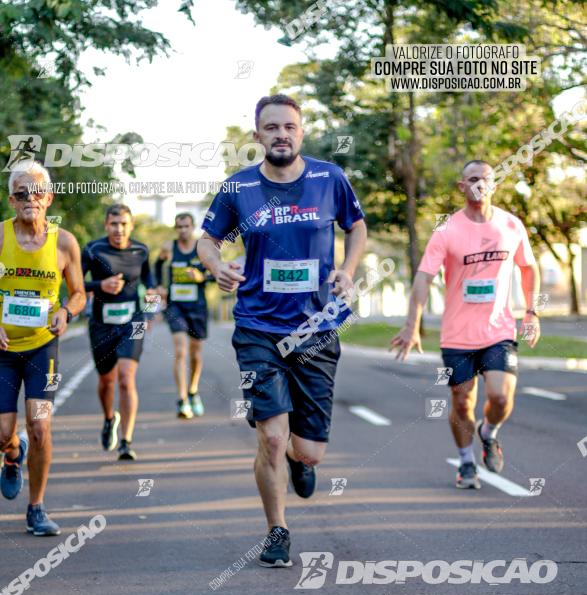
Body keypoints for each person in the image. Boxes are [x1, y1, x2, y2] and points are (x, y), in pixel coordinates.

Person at [198, 94, 367, 566]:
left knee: (309, 451)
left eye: (289, 127)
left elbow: (357, 226)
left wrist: (348, 270)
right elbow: (208, 239)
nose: (281, 135)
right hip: (258, 327)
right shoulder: (239, 189)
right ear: (257, 136)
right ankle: (277, 530)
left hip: (317, 327)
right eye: (271, 128)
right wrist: (216, 266)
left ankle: (299, 459)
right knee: (271, 435)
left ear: (301, 131)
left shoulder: (328, 178)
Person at [390, 159, 540, 489]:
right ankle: (466, 461)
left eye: (485, 179)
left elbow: (528, 268)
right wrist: (412, 323)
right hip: (457, 335)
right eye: (472, 179)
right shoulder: (447, 231)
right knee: (462, 399)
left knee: (500, 397)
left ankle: (488, 433)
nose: (479, 184)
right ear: (462, 186)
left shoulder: (511, 225)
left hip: (498, 330)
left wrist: (531, 311)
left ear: (494, 185)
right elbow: (423, 278)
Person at [0, 161, 86, 535]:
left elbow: (81, 293)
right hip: (3, 350)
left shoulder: (64, 242)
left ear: (48, 198)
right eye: (21, 194)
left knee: (40, 426)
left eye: (36, 193)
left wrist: (66, 311)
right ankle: (12, 453)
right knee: (3, 431)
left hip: (42, 350)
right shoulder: (0, 237)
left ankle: (36, 507)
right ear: (11, 201)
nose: (29, 199)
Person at [82, 204, 155, 461]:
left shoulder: (141, 250)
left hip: (132, 321)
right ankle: (109, 418)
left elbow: (151, 283)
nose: (119, 229)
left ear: (131, 225)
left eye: (124, 224)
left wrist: (151, 309)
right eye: (114, 224)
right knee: (107, 381)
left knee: (126, 377)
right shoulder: (92, 249)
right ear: (106, 225)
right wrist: (100, 284)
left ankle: (126, 441)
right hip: (101, 323)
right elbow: (75, 283)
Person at [154, 213, 211, 419]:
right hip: (175, 306)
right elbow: (157, 265)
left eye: (186, 226)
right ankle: (182, 400)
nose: (183, 230)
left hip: (197, 307)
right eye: (179, 227)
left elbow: (215, 273)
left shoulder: (203, 248)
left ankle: (193, 390)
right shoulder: (169, 247)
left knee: (196, 354)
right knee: (181, 351)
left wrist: (201, 277)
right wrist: (159, 285)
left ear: (193, 227)